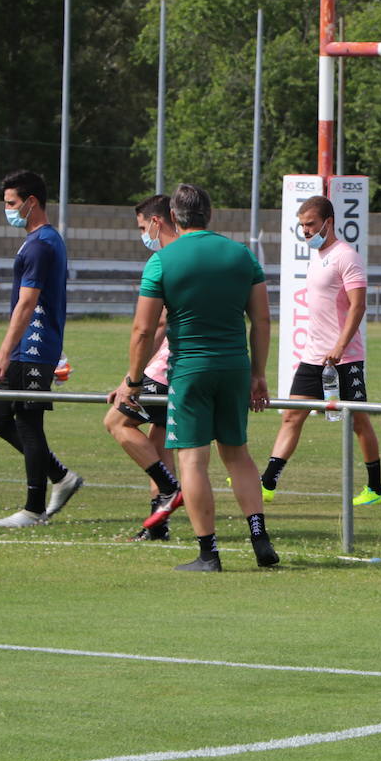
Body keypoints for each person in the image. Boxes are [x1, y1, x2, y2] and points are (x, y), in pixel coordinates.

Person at [106, 183, 278, 572]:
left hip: (190, 370)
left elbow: (143, 330)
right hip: (235, 366)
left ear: (174, 217)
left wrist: (133, 382)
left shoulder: (163, 261)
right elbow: (262, 319)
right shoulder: (241, 255)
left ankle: (208, 553)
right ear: (210, 214)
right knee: (237, 454)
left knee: (192, 460)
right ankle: (259, 536)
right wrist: (259, 374)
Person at [255, 194, 381, 506]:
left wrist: (340, 346)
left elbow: (358, 305)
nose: (306, 231)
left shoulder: (347, 256)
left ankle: (375, 488)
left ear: (328, 222)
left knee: (358, 422)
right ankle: (268, 482)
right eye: (302, 226)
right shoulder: (317, 258)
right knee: (291, 416)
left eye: (311, 225)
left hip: (345, 358)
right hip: (313, 357)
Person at [0, 169, 82, 527]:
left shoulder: (42, 244)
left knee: (28, 424)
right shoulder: (40, 240)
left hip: (31, 349)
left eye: (11, 203)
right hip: (28, 349)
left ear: (31, 203)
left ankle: (34, 508)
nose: (7, 210)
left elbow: (28, 305)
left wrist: (3, 352)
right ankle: (61, 476)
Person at [103, 195, 181, 541]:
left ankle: (169, 490)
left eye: (142, 227)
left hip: (169, 367)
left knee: (117, 422)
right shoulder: (194, 253)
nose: (143, 235)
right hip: (191, 367)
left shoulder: (165, 261)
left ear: (157, 222)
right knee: (159, 441)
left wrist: (131, 382)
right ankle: (158, 524)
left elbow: (151, 328)